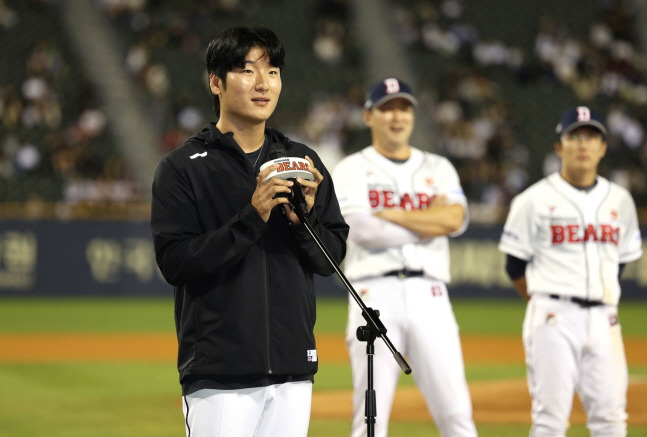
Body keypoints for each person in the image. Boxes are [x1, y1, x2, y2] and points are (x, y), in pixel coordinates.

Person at [150, 26, 349, 437]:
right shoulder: (183, 166)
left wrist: (303, 222)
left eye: (273, 71)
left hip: (293, 369)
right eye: (247, 70)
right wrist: (252, 218)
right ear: (216, 82)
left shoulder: (301, 161)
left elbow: (331, 257)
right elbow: (175, 262)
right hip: (220, 375)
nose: (263, 83)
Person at [332, 78, 478, 437]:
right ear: (369, 116)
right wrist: (430, 220)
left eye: (404, 108)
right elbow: (363, 230)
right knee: (370, 421)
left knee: (457, 414)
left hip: (431, 295)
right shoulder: (351, 168)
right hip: (373, 296)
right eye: (387, 108)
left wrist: (393, 215)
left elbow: (456, 219)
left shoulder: (438, 166)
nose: (397, 116)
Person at [498, 106, 643, 436]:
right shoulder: (533, 199)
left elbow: (619, 261)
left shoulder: (620, 200)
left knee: (611, 419)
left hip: (605, 318)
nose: (583, 144)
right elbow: (514, 266)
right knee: (550, 420)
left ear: (603, 148)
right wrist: (544, 301)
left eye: (591, 137)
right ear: (559, 147)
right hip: (554, 315)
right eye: (574, 136)